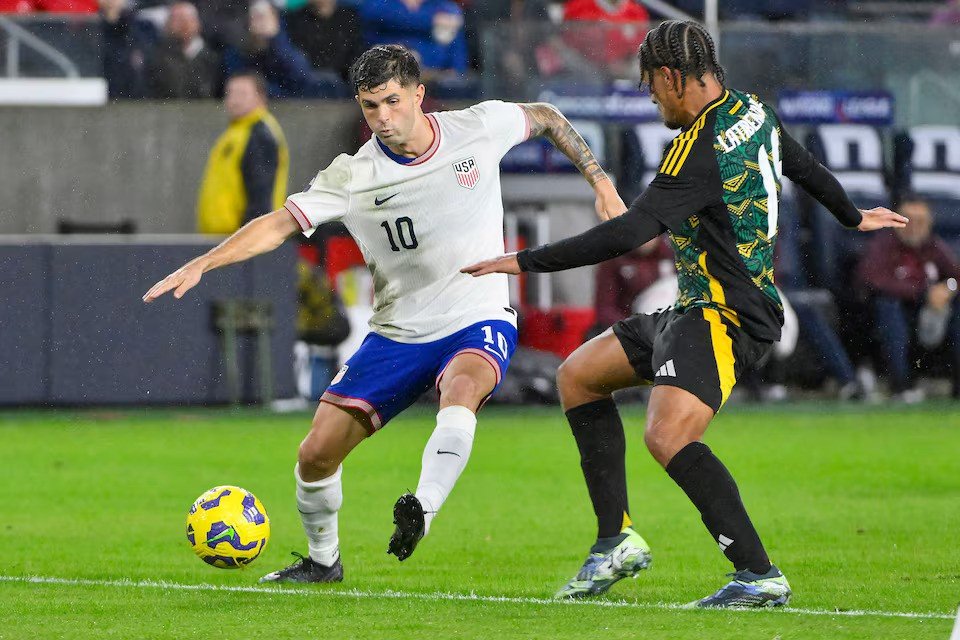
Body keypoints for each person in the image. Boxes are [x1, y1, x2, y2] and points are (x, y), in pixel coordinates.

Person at [463, 20, 907, 608]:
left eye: (650, 85)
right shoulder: (754, 111)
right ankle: (613, 540)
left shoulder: (696, 150)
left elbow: (627, 233)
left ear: (673, 77)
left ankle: (758, 574)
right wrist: (851, 215)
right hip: (694, 305)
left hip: (729, 312)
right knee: (578, 376)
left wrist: (523, 261)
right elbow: (796, 161)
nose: (649, 97)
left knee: (667, 434)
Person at [144, 44, 624, 583]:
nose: (383, 118)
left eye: (393, 102)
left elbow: (547, 116)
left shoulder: (476, 128)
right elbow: (280, 223)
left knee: (461, 389)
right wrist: (206, 263)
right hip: (397, 332)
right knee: (315, 456)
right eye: (370, 106)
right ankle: (323, 563)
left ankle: (423, 507)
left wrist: (601, 183)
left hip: (477, 311)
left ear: (419, 95)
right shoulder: (353, 175)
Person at [857, 197, 960, 400]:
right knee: (888, 307)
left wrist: (948, 289)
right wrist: (922, 292)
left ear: (929, 224)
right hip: (893, 311)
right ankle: (901, 386)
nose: (914, 227)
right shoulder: (883, 245)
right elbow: (872, 280)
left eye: (920, 221)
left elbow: (955, 276)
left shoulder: (933, 247)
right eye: (907, 220)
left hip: (930, 313)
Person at [195, 72, 289, 234]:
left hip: (241, 240)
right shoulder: (238, 131)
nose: (234, 100)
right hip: (228, 238)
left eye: (242, 94)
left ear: (261, 97)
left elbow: (260, 193)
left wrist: (249, 238)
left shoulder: (259, 133)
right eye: (230, 93)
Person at [148, 1, 221, 99]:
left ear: (197, 23)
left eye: (185, 19)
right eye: (175, 19)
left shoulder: (213, 58)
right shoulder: (158, 56)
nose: (182, 25)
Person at [286, 0, 364, 81]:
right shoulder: (295, 19)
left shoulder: (349, 17)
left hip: (343, 81)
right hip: (308, 80)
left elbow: (356, 53)